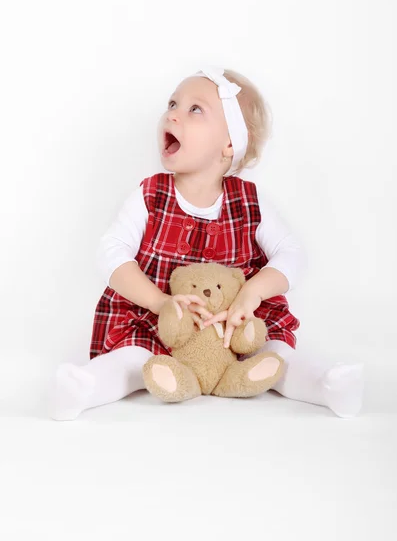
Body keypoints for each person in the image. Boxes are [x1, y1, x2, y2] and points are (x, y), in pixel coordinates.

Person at [50, 66, 364, 421]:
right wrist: (161, 303)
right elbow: (111, 252)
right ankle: (82, 388)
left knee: (274, 357)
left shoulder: (249, 201)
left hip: (233, 327)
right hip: (159, 325)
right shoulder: (151, 194)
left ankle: (330, 386)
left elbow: (292, 254)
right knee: (132, 362)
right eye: (172, 103)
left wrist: (252, 293)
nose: (172, 113)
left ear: (229, 144)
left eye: (194, 109)